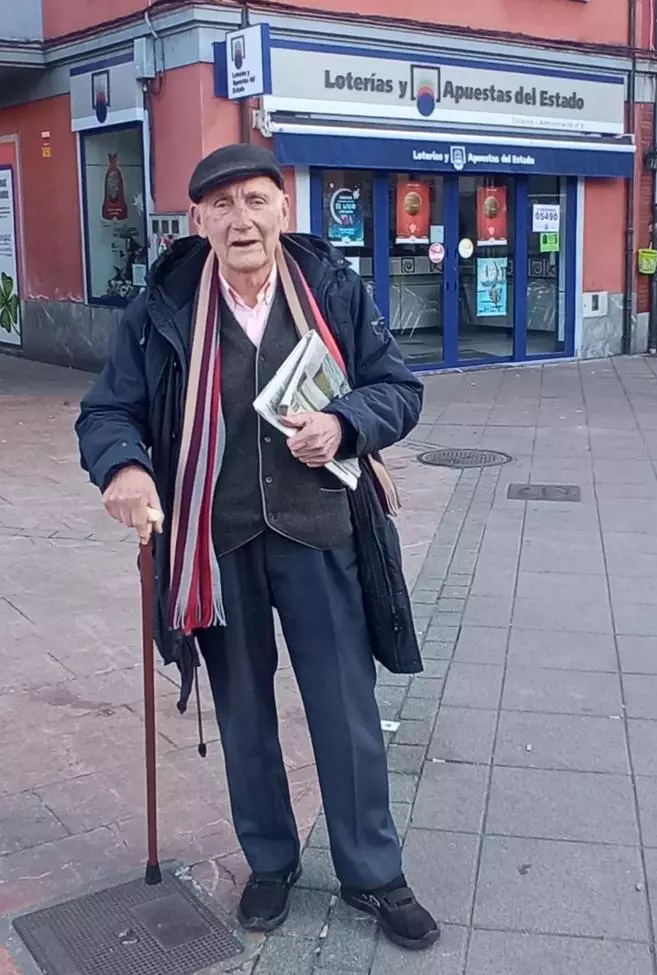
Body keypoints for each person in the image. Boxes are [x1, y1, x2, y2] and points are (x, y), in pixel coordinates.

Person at [75, 144, 440, 952]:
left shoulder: (335, 291)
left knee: (345, 714)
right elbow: (105, 413)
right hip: (218, 542)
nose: (241, 219)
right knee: (243, 714)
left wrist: (347, 422)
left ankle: (373, 872)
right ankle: (271, 861)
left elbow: (399, 389)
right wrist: (127, 465)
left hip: (321, 533)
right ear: (198, 219)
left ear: (283, 209)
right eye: (222, 205)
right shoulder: (164, 305)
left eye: (256, 200)